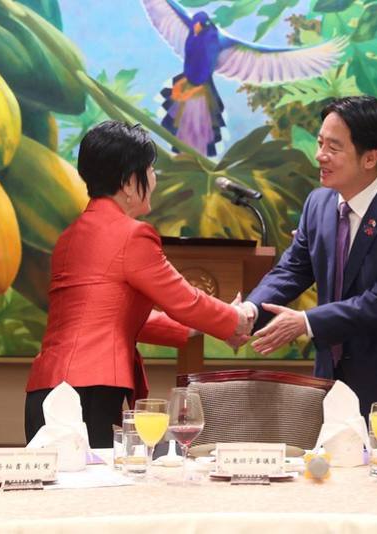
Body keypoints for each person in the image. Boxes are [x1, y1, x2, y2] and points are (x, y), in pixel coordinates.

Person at [25, 120, 252, 447]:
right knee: (93, 488)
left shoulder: (70, 236)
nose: (154, 178)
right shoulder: (132, 235)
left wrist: (196, 329)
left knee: (56, 491)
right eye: (150, 169)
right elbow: (184, 299)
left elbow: (112, 315)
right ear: (129, 182)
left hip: (45, 392)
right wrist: (237, 320)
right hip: (88, 390)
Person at [236, 96, 377, 420]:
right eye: (320, 143)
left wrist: (305, 322)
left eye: (333, 148)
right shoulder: (318, 203)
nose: (320, 156)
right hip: (331, 376)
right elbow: (293, 268)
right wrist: (251, 308)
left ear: (370, 157)